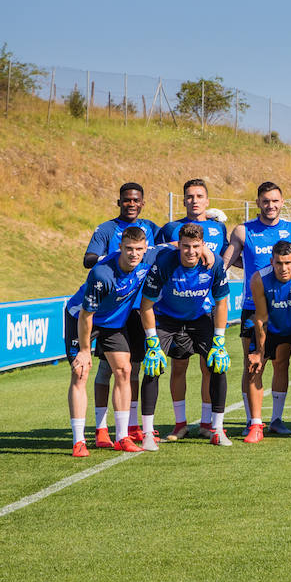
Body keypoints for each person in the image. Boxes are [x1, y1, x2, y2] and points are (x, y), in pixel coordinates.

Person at [70, 227, 162, 455]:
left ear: (145, 249)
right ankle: (79, 440)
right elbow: (86, 315)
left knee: (124, 371)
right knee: (81, 372)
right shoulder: (102, 274)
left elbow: (172, 246)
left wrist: (206, 254)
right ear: (120, 247)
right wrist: (84, 350)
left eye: (138, 249)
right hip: (81, 318)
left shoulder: (149, 257)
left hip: (112, 322)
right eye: (129, 249)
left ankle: (121, 437)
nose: (133, 254)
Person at [83, 182, 160, 447]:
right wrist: (115, 257)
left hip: (137, 311)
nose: (131, 203)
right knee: (106, 369)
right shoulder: (106, 229)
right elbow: (88, 259)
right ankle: (101, 428)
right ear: (119, 202)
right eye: (126, 200)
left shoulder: (150, 228)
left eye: (136, 200)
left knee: (132, 369)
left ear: (142, 203)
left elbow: (169, 246)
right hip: (110, 309)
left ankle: (131, 425)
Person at [140, 224, 232, 447]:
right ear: (178, 246)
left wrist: (219, 340)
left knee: (218, 364)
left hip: (199, 317)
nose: (191, 251)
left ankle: (217, 429)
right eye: (186, 246)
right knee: (153, 366)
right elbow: (146, 306)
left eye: (196, 246)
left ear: (203, 246)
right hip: (166, 318)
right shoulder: (164, 262)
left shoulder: (214, 263)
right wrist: (152, 341)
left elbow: (221, 303)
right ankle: (148, 433)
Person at [220, 182, 291, 433]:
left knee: (281, 363)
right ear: (258, 202)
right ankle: (252, 421)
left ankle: (276, 419)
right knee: (253, 363)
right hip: (252, 307)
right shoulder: (243, 231)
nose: (270, 205)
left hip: (284, 306)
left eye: (275, 200)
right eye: (265, 201)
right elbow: (227, 262)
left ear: (282, 202)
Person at [245, 241, 291, 441]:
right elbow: (261, 318)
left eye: (288, 263)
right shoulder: (258, 279)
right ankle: (256, 425)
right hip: (271, 326)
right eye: (279, 263)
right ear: (272, 261)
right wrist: (260, 352)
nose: (284, 268)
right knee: (254, 366)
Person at [156, 178, 228, 254]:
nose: (195, 201)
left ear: (207, 202)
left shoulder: (219, 227)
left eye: (199, 196)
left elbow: (228, 256)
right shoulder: (171, 228)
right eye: (190, 197)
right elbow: (156, 253)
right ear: (184, 202)